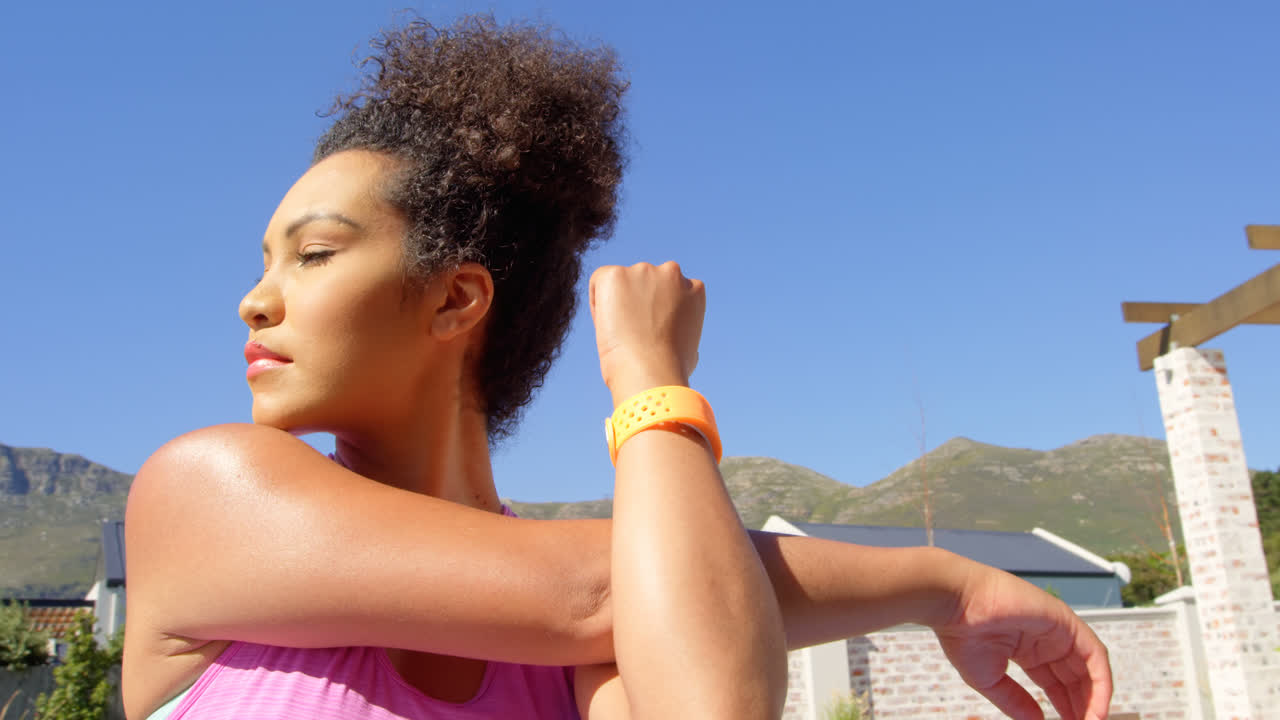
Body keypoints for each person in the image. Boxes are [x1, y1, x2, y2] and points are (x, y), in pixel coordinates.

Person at [121, 15, 1113, 720]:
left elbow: (708, 698)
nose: (255, 299)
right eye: (262, 261)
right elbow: (594, 588)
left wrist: (645, 378)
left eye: (313, 253)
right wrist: (940, 580)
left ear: (455, 300)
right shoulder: (206, 492)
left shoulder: (611, 617)